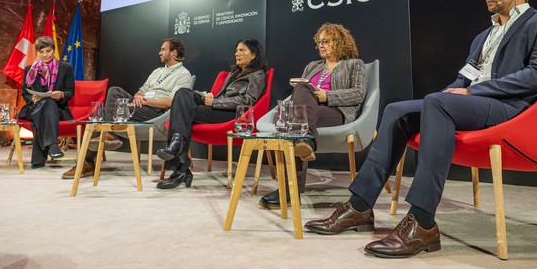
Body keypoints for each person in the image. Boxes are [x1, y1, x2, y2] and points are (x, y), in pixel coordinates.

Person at [305, 0, 537, 258]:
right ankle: (359, 207)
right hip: (476, 102)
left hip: (511, 110)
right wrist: (452, 92)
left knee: (437, 103)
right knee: (397, 110)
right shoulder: (484, 35)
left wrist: (469, 92)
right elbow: (465, 75)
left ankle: (422, 221)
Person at [259, 23, 367, 210]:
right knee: (301, 89)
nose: (321, 45)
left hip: (336, 111)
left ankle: (288, 191)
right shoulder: (312, 66)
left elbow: (359, 93)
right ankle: (305, 140)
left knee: (294, 119)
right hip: (309, 112)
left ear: (340, 42)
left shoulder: (354, 64)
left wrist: (328, 96)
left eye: (326, 41)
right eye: (319, 42)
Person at [60, 38, 193, 180]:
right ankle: (108, 135)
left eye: (163, 49)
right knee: (115, 91)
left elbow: (172, 102)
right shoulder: (157, 71)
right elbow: (141, 90)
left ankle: (86, 162)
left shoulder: (183, 74)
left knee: (104, 115)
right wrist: (138, 97)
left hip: (156, 112)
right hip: (141, 105)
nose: (159, 52)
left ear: (173, 53)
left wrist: (148, 101)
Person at [156, 38, 268, 190]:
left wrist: (215, 103)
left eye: (242, 50)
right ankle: (178, 151)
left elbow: (248, 101)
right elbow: (224, 96)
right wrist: (210, 97)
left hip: (233, 115)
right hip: (218, 107)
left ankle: (180, 166)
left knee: (182, 111)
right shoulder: (234, 73)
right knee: (182, 93)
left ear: (254, 54)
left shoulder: (257, 75)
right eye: (236, 50)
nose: (237, 54)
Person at [16, 36, 75, 169]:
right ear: (37, 52)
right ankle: (53, 145)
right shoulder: (29, 69)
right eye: (41, 52)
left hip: (58, 110)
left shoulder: (66, 67)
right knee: (43, 106)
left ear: (53, 50)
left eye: (48, 51)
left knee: (47, 104)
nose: (45, 55)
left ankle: (39, 160)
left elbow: (70, 92)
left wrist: (61, 95)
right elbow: (26, 93)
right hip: (33, 108)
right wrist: (32, 99)